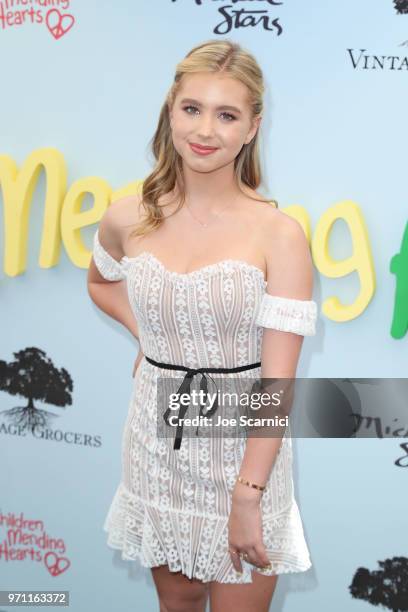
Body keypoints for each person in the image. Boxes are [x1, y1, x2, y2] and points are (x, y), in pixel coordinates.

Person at [87, 39, 317, 612]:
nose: (206, 130)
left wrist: (248, 496)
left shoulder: (278, 234)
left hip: (245, 449)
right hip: (156, 440)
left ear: (252, 127)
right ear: (171, 110)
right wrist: (151, 339)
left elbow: (277, 385)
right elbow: (101, 282)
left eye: (227, 114)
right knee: (178, 603)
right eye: (192, 108)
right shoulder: (127, 216)